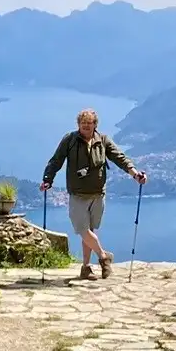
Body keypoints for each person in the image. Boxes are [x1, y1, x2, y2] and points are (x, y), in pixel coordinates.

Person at [40, 109, 147, 280]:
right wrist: (47, 179)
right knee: (82, 229)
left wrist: (135, 174)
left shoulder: (103, 141)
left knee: (89, 231)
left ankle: (86, 268)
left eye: (89, 123)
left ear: (95, 124)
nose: (86, 126)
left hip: (98, 194)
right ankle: (104, 258)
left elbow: (119, 158)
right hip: (78, 194)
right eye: (83, 123)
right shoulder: (70, 140)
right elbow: (56, 160)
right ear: (79, 125)